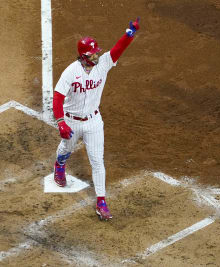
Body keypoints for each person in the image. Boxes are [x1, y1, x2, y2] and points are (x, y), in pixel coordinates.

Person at [52, 18, 140, 221]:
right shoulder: (71, 72)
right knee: (66, 149)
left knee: (97, 161)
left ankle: (101, 201)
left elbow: (118, 50)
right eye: (93, 53)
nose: (97, 55)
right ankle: (59, 165)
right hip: (72, 120)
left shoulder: (103, 64)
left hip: (93, 121)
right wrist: (60, 122)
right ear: (83, 56)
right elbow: (58, 97)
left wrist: (129, 34)